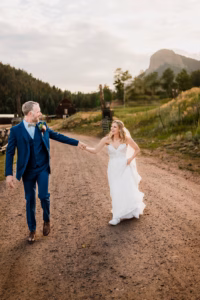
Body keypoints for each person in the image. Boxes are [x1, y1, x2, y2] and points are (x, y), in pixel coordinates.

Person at [5, 101, 86, 243]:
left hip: (42, 168)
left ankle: (46, 220)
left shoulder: (42, 126)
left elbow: (58, 136)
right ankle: (32, 230)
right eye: (38, 111)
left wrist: (77, 142)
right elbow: (10, 153)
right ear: (30, 114)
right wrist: (9, 174)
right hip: (27, 172)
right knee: (30, 199)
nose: (40, 113)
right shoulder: (16, 131)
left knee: (43, 196)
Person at [85, 120, 145, 225]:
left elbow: (137, 149)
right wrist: (85, 148)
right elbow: (95, 150)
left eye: (115, 127)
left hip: (124, 167)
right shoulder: (106, 140)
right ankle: (117, 213)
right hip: (113, 168)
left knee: (125, 189)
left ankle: (118, 215)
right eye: (111, 127)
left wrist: (130, 159)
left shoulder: (126, 139)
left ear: (120, 129)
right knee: (115, 190)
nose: (112, 129)